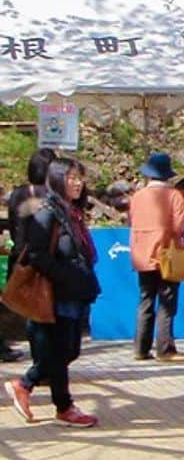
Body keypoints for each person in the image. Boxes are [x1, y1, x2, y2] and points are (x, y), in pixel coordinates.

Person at [5, 158, 101, 427]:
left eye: (79, 177)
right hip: (57, 292)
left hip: (75, 290)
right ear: (57, 179)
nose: (77, 182)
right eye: (71, 177)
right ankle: (63, 405)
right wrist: (64, 275)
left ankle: (26, 384)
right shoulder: (48, 210)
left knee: (67, 350)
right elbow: (35, 253)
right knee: (61, 350)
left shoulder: (72, 212)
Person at [128, 151, 184, 363]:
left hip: (142, 256)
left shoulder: (137, 197)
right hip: (167, 255)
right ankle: (165, 349)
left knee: (145, 300)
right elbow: (179, 227)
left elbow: (132, 222)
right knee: (166, 302)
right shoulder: (174, 196)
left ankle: (140, 348)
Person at [1, 147, 55, 364]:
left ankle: (38, 353)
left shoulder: (18, 194)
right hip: (46, 259)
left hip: (20, 257)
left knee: (29, 311)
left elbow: (15, 225)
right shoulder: (51, 196)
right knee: (46, 309)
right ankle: (44, 357)